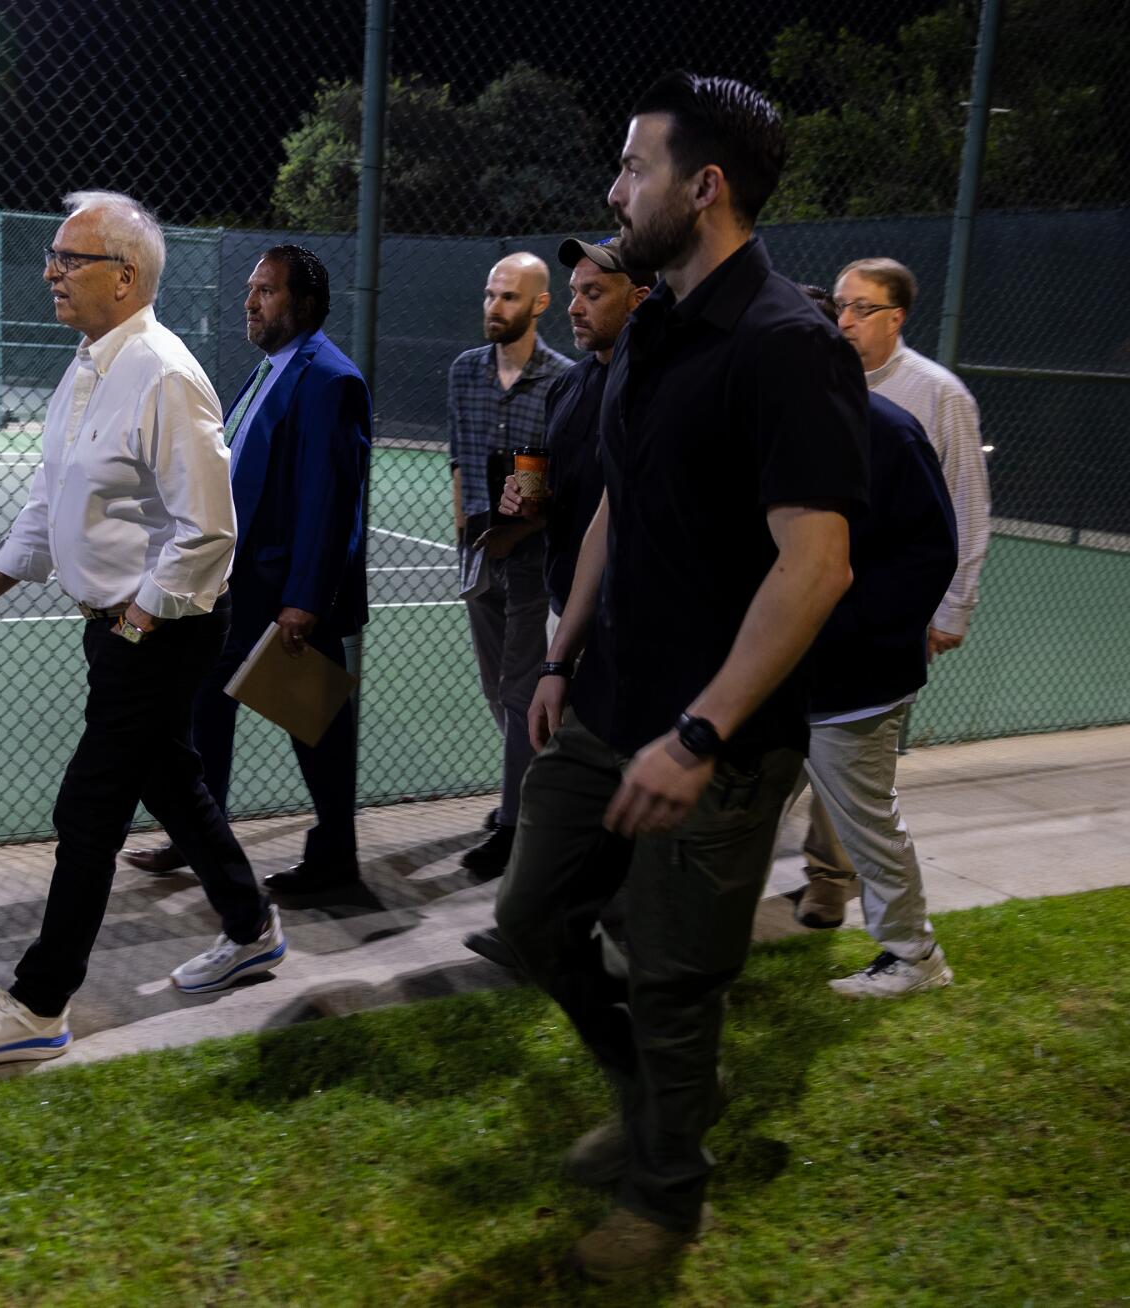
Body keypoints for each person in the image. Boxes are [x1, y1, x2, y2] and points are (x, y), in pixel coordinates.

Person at [494, 72, 868, 1280]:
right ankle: (654, 1104)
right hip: (604, 706)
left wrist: (699, 733)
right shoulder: (649, 323)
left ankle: (663, 1199)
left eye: (632, 168)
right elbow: (615, 509)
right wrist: (560, 652)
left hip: (716, 745)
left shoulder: (788, 348)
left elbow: (814, 568)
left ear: (702, 187)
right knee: (531, 918)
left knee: (671, 980)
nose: (612, 191)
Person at [0, 191, 284, 1066]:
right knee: (169, 779)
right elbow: (54, 498)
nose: (51, 271)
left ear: (124, 279)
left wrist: (136, 616)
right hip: (122, 627)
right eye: (53, 256)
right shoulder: (89, 363)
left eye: (68, 259)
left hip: (160, 628)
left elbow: (210, 530)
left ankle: (39, 1003)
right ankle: (251, 925)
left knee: (89, 805)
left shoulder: (163, 372)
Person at [121, 245, 372, 896]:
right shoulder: (272, 371)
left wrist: (304, 599)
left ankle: (336, 863)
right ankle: (202, 834)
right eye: (251, 289)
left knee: (315, 724)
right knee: (206, 708)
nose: (250, 301)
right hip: (237, 588)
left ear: (307, 304)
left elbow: (330, 499)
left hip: (281, 596)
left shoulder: (328, 380)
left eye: (266, 290)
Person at [465, 235, 651, 971]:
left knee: (572, 772)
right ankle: (550, 919)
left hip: (623, 623)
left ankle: (569, 923)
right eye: (572, 291)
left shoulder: (648, 385)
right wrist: (525, 504)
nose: (576, 306)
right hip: (567, 601)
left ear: (640, 299)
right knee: (560, 767)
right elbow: (569, 499)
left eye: (593, 293)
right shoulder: (573, 388)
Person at [796, 256, 991, 929]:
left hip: (875, 628)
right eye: (840, 307)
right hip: (812, 628)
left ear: (896, 317)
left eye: (861, 309)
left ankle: (834, 882)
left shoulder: (935, 397)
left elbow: (963, 511)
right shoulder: (815, 402)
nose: (845, 320)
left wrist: (949, 610)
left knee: (849, 773)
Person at [449, 253, 572, 878]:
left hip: (531, 555)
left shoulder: (564, 380)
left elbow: (571, 484)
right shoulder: (465, 373)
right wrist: (465, 540)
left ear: (539, 304)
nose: (494, 308)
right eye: (491, 296)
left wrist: (528, 517)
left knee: (522, 689)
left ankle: (515, 824)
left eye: (508, 298)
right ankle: (535, 786)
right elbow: (459, 465)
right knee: (498, 689)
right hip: (479, 552)